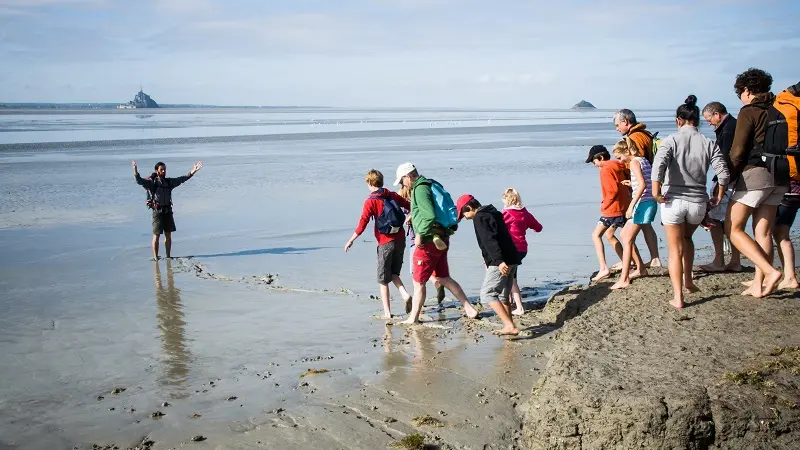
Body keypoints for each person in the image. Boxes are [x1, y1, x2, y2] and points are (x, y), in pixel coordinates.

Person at [652, 95, 729, 309]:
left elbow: (659, 167)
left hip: (673, 201)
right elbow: (723, 172)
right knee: (687, 238)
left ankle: (678, 297)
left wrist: (656, 192)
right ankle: (688, 281)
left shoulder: (670, 141)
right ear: (698, 121)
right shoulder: (708, 143)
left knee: (675, 249)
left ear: (678, 120)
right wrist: (719, 195)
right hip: (697, 203)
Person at [726, 68, 787, 298]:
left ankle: (770, 272)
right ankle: (758, 285)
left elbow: (738, 150)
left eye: (739, 92)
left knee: (733, 228)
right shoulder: (778, 108)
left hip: (755, 175)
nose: (740, 97)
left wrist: (727, 178)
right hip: (780, 175)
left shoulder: (748, 111)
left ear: (747, 90)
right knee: (763, 231)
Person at [394, 163, 479, 324]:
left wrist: (420, 234)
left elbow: (429, 215)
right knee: (444, 277)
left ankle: (413, 318)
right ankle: (469, 308)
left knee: (418, 282)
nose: (402, 185)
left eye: (401, 181)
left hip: (427, 242)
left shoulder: (419, 189)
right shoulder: (431, 183)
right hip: (442, 235)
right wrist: (413, 215)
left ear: (407, 176)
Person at [345, 169, 413, 319]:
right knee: (394, 273)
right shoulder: (393, 195)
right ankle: (405, 294)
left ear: (369, 183)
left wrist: (351, 240)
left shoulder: (371, 201)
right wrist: (410, 218)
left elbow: (362, 224)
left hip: (385, 242)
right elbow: (411, 206)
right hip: (400, 239)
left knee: (383, 280)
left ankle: (387, 313)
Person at [457, 194, 522, 336]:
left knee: (487, 294)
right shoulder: (493, 213)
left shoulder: (479, 218)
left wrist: (498, 261)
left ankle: (509, 326)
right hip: (512, 258)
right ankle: (509, 325)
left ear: (469, 207)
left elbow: (489, 240)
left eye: (464, 214)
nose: (465, 218)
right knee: (504, 295)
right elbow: (502, 237)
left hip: (500, 261)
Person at [612, 109, 662, 267]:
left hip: (642, 193)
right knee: (646, 224)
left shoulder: (635, 138)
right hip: (649, 189)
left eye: (617, 125)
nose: (616, 128)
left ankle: (632, 263)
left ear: (625, 122)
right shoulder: (645, 134)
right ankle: (654, 258)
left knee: (627, 234)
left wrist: (632, 187)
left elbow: (637, 164)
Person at [700, 101, 741, 272]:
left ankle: (720, 260)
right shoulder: (732, 125)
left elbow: (725, 159)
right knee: (732, 221)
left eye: (709, 119)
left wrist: (719, 185)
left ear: (717, 114)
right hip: (735, 179)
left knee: (716, 218)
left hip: (729, 180)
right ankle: (734, 260)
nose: (709, 123)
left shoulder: (728, 129)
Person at [133, 160, 202, 260]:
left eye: (165, 169)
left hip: (168, 212)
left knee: (168, 235)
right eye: (161, 170)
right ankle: (156, 258)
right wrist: (135, 170)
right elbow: (139, 181)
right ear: (156, 171)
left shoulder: (169, 182)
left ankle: (168, 256)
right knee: (156, 236)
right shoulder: (152, 183)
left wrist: (193, 171)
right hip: (157, 212)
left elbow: (182, 179)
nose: (164, 171)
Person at [610, 139, 654, 290]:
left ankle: (624, 278)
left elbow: (642, 184)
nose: (620, 161)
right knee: (625, 236)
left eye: (620, 157)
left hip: (642, 204)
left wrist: (631, 205)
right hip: (649, 202)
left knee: (626, 238)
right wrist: (632, 183)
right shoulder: (644, 160)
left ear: (627, 152)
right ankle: (641, 269)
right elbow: (646, 180)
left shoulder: (634, 162)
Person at [585, 145, 631, 282]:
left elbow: (612, 191)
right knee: (611, 235)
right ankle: (626, 261)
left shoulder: (605, 169)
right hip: (624, 205)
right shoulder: (619, 165)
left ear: (600, 158)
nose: (594, 165)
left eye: (594, 162)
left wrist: (604, 203)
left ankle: (603, 268)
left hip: (612, 209)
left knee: (596, 235)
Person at [399, 184, 446, 311]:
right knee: (425, 269)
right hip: (429, 239)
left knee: (416, 274)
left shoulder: (409, 207)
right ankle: (435, 282)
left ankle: (419, 303)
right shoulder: (422, 201)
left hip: (416, 242)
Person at [500, 188, 543, 315]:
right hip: (522, 249)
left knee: (509, 278)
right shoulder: (525, 213)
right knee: (511, 275)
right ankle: (511, 301)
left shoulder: (505, 213)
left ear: (506, 200)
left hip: (510, 250)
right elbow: (538, 227)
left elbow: (496, 229)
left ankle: (519, 307)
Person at [773, 181, 800, 290]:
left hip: (784, 193)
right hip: (796, 193)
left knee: (768, 234)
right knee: (783, 235)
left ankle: (789, 278)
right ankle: (790, 277)